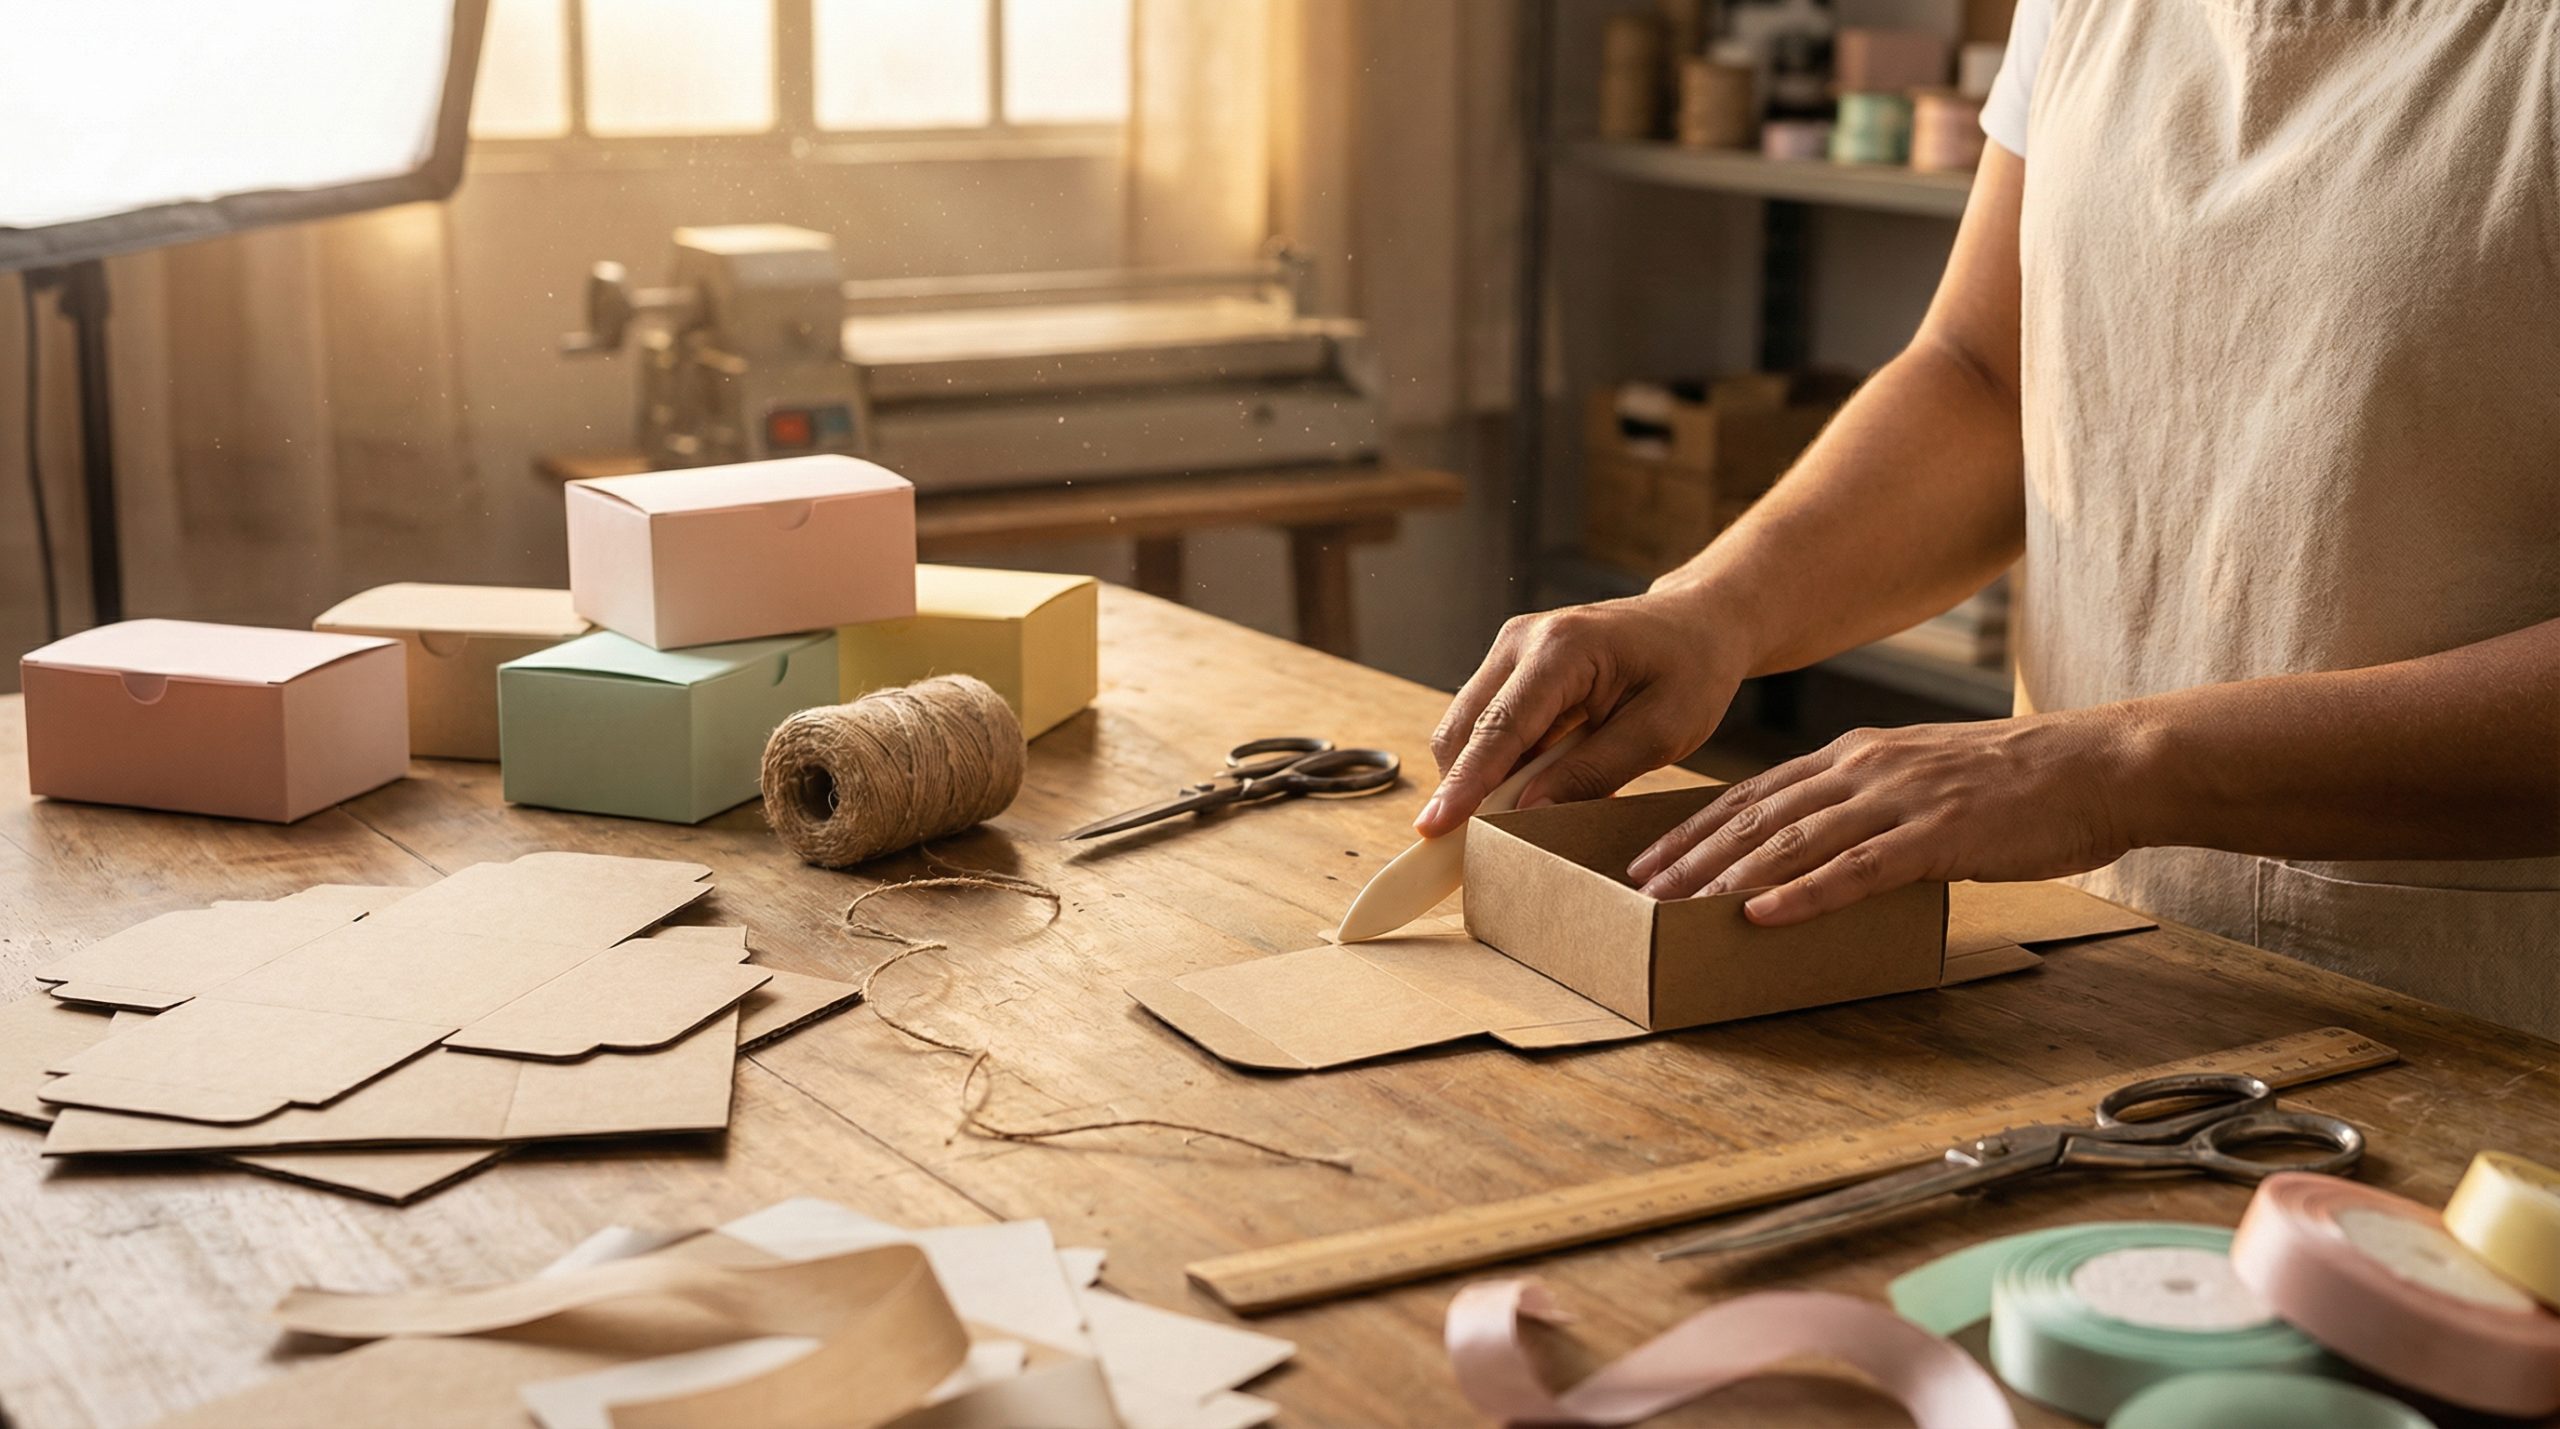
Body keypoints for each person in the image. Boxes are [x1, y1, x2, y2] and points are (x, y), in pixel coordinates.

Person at [1422, 0, 2560, 1035]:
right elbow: (1987, 380)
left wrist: (2108, 768)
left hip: (2463, 1014)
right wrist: (1713, 611)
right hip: (2081, 948)